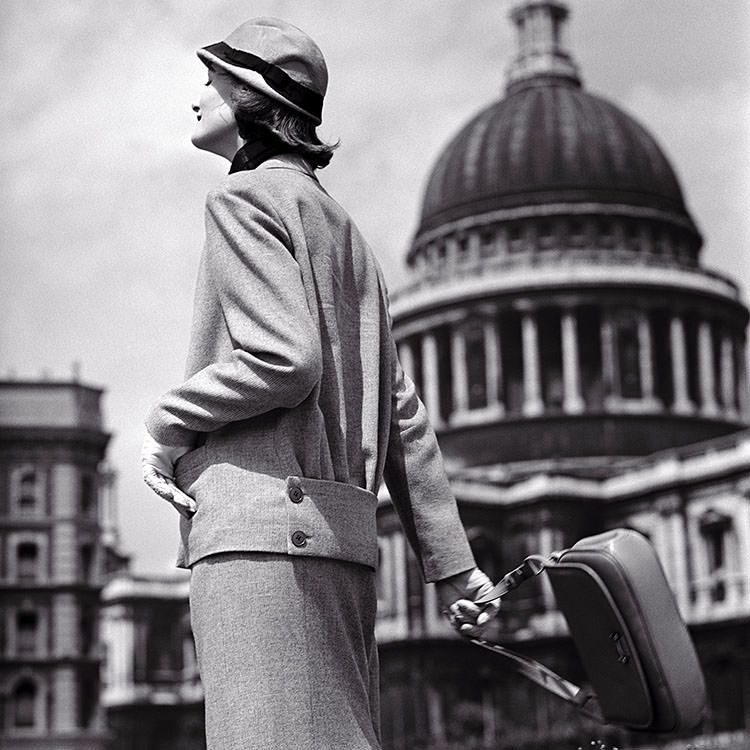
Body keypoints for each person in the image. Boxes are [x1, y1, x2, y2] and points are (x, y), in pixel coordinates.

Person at [141, 17, 499, 750]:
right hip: (341, 542)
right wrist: (454, 566)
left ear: (250, 98)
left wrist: (168, 422)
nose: (198, 96)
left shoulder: (241, 200)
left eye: (213, 80)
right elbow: (401, 414)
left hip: (257, 536)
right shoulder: (344, 232)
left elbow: (284, 360)